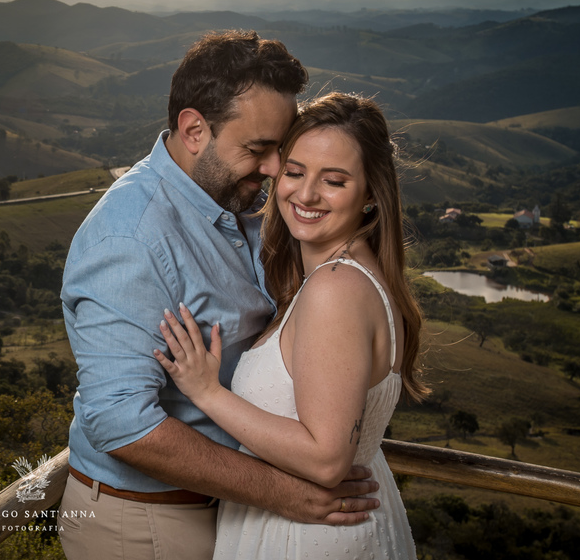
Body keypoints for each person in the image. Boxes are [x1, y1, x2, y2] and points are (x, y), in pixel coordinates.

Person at [58, 33, 381, 560]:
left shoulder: (236, 199)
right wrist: (283, 492)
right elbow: (121, 422)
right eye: (258, 149)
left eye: (281, 148)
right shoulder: (130, 238)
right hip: (150, 525)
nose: (277, 168)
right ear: (193, 130)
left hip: (229, 512)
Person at [154, 92, 425, 559]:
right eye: (295, 172)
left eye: (334, 181)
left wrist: (207, 392)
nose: (305, 194)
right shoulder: (347, 277)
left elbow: (326, 458)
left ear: (371, 197)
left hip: (307, 537)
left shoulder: (335, 289)